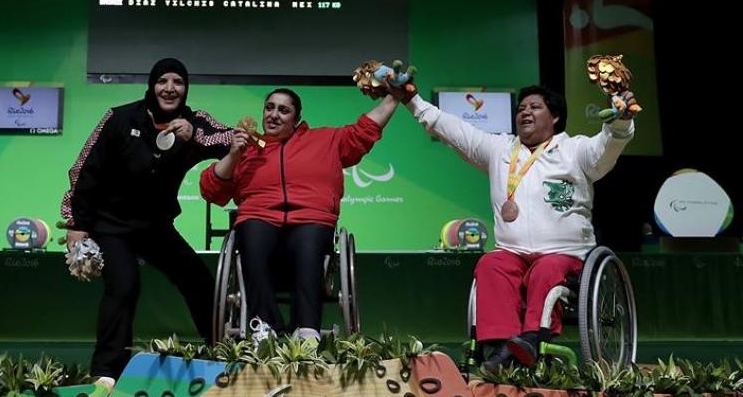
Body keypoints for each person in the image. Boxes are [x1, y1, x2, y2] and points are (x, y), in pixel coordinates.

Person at [400, 84, 636, 371]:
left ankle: (532, 340)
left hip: (565, 254)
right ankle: (502, 348)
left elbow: (607, 147)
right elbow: (452, 129)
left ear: (556, 118)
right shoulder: (500, 149)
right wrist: (412, 100)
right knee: (491, 264)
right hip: (512, 252)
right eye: (521, 108)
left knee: (546, 270)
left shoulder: (576, 150)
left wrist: (621, 122)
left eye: (535, 107)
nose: (525, 112)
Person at [60, 58, 233, 385]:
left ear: (186, 88)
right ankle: (106, 373)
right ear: (152, 85)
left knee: (198, 281)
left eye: (178, 82)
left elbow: (233, 140)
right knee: (124, 286)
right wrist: (76, 224)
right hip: (112, 226)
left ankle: (228, 353)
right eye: (162, 81)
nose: (170, 88)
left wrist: (194, 134)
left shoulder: (193, 121)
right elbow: (84, 170)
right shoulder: (119, 117)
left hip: (155, 228)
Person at [200, 88, 401, 340]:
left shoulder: (325, 140)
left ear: (296, 119)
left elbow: (365, 130)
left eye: (283, 110)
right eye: (269, 107)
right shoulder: (248, 150)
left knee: (308, 240)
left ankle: (307, 330)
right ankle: (264, 325)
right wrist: (233, 155)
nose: (273, 115)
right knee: (251, 230)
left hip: (310, 219)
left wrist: (394, 98)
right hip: (260, 219)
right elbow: (211, 190)